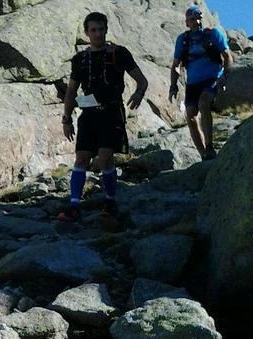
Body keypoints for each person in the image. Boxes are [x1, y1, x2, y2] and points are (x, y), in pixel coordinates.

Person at [59, 12, 148, 222]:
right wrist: (66, 118)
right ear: (86, 33)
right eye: (93, 30)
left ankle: (109, 201)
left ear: (106, 29)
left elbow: (142, 80)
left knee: (105, 157)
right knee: (81, 157)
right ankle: (74, 205)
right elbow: (71, 91)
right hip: (88, 114)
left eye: (100, 29)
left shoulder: (120, 53)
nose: (97, 34)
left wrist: (139, 93)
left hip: (111, 112)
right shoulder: (80, 59)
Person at [169, 5, 232, 161]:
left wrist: (225, 76)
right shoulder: (183, 40)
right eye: (192, 19)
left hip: (211, 78)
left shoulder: (213, 34)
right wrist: (173, 85)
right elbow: (176, 64)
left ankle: (210, 146)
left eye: (198, 18)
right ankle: (203, 154)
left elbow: (227, 57)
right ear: (187, 23)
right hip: (192, 84)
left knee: (204, 103)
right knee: (190, 115)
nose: (196, 21)